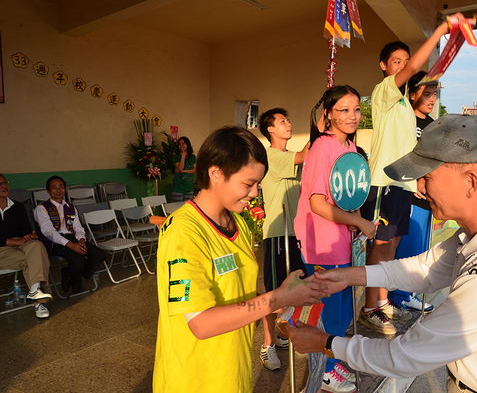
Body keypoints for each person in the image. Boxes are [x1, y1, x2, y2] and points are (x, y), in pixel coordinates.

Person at [290, 114, 477, 393]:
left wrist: (326, 343)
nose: (419, 187)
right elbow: (427, 268)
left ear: (470, 181)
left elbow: (406, 355)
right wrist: (348, 276)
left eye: (427, 177)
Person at [152, 126, 328, 393]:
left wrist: (283, 301)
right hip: (196, 378)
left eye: (258, 183)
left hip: (233, 370)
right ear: (216, 174)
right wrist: (277, 298)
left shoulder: (237, 224)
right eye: (248, 184)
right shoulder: (184, 232)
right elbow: (200, 322)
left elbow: (233, 291)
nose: (255, 193)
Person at [359, 13, 463, 334]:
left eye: (405, 60)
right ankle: (369, 306)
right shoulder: (385, 93)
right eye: (396, 61)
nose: (402, 65)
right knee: (379, 245)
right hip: (384, 182)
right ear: (384, 67)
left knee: (391, 247)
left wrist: (417, 178)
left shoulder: (405, 105)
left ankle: (383, 300)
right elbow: (415, 69)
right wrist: (443, 30)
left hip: (402, 183)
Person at [294, 85, 376, 393]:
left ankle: (334, 358)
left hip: (342, 239)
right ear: (327, 114)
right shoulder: (322, 148)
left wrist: (353, 223)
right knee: (329, 308)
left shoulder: (351, 149)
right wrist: (358, 221)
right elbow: (317, 202)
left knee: (343, 306)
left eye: (357, 109)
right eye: (344, 110)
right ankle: (326, 371)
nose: (353, 116)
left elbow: (345, 197)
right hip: (322, 242)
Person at [257, 108, 310, 370]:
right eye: (282, 122)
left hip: (295, 233)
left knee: (293, 289)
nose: (288, 124)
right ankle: (267, 346)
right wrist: (319, 126)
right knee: (275, 293)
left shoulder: (291, 157)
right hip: (278, 234)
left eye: (288, 120)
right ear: (270, 129)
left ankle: (280, 336)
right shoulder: (271, 155)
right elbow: (306, 154)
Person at [387, 71, 439, 309]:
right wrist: (414, 179)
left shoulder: (433, 126)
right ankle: (397, 297)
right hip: (406, 194)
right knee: (404, 250)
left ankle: (407, 295)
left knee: (419, 250)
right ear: (412, 93)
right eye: (426, 94)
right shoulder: (405, 119)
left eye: (434, 95)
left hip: (426, 198)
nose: (431, 100)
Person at [34, 176, 105, 294]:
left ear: (65, 189)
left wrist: (81, 240)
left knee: (99, 254)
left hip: (72, 238)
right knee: (79, 260)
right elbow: (49, 232)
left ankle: (69, 274)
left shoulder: (71, 207)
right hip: (54, 242)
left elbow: (77, 227)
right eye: (54, 187)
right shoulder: (42, 209)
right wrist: (70, 245)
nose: (58, 190)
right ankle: (77, 286)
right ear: (48, 191)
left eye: (61, 187)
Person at [0, 174, 52, 318]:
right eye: (0, 184)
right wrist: (17, 241)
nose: (4, 186)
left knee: (36, 246)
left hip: (20, 244)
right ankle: (40, 302)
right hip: (2, 250)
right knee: (34, 259)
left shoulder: (17, 206)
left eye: (5, 182)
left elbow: (25, 229)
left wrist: (29, 235)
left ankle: (35, 292)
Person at [172, 136, 197, 202]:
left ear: (187, 144)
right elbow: (180, 168)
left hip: (189, 188)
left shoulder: (192, 157)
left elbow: (195, 169)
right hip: (178, 188)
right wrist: (182, 156)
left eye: (183, 144)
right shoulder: (176, 156)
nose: (181, 146)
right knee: (177, 209)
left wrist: (184, 171)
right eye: (179, 144)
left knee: (187, 208)